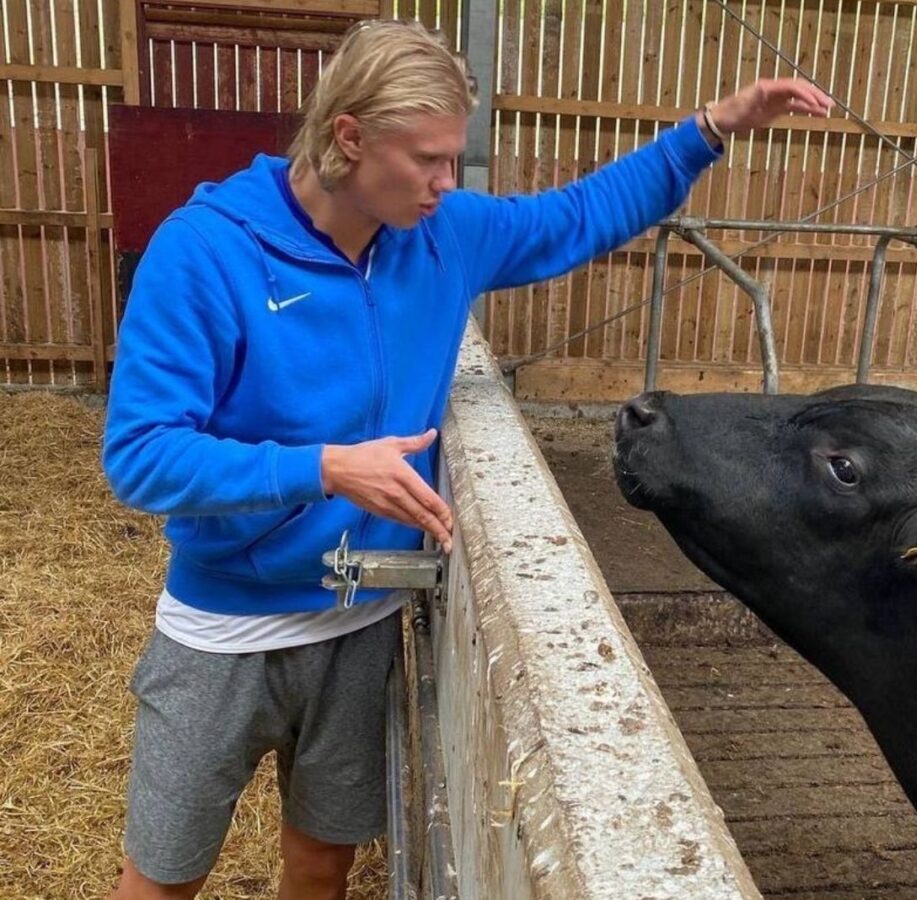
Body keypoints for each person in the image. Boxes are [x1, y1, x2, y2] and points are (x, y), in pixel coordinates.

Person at [102, 17, 833, 900]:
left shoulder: (442, 236)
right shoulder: (209, 252)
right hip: (224, 625)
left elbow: (581, 214)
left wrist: (711, 128)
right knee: (165, 875)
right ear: (349, 138)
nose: (449, 183)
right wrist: (323, 468)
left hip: (358, 619)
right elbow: (141, 455)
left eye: (456, 160)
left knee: (324, 859)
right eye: (430, 160)